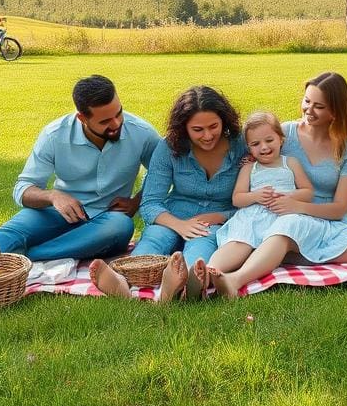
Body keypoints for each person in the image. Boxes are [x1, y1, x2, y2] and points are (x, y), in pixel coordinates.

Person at [208, 72, 347, 299]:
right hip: (281, 220)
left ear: (336, 110)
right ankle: (238, 278)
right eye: (307, 101)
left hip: (325, 221)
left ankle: (280, 254)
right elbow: (256, 146)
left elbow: (339, 209)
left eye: (319, 106)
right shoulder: (285, 133)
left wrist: (298, 206)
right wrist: (248, 161)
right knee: (291, 225)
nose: (308, 110)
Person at [0, 75, 161, 261]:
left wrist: (137, 201)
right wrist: (53, 196)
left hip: (108, 218)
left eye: (118, 113)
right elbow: (23, 188)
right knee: (14, 231)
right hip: (59, 213)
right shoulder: (54, 135)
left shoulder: (141, 132)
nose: (116, 123)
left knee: (120, 226)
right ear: (81, 118)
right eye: (104, 121)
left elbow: (163, 173)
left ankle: (28, 256)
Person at [89, 85, 247, 302]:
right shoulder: (169, 147)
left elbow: (253, 201)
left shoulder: (242, 146)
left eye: (214, 126)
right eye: (198, 130)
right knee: (156, 237)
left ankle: (186, 284)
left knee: (202, 244)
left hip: (215, 222)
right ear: (184, 128)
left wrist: (220, 217)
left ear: (224, 121)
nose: (208, 135)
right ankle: (122, 281)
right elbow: (150, 201)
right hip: (173, 215)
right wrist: (179, 225)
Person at [211, 110, 315, 264]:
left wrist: (288, 196)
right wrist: (255, 196)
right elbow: (237, 198)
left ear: (281, 139)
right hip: (254, 217)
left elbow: (308, 192)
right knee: (241, 242)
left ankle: (267, 258)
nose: (264, 147)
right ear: (249, 148)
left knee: (282, 238)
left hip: (284, 214)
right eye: (256, 144)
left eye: (269, 140)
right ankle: (211, 270)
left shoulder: (290, 163)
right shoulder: (249, 168)